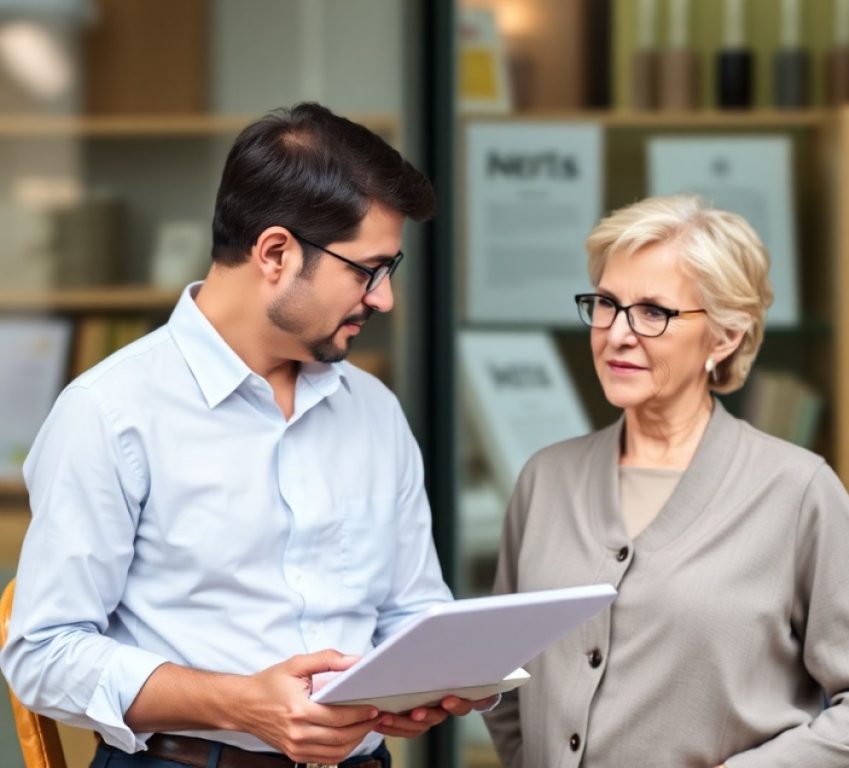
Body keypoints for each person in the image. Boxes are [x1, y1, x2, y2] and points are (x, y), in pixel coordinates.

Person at [1, 103, 489, 768]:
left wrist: (433, 677)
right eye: (366, 270)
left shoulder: (374, 412)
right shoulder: (110, 413)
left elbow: (411, 609)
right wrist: (240, 703)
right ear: (277, 254)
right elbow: (43, 653)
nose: (383, 300)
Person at [483, 194, 849, 767]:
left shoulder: (795, 491)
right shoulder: (545, 479)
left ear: (722, 337)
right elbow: (502, 683)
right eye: (606, 304)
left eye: (653, 312)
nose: (617, 334)